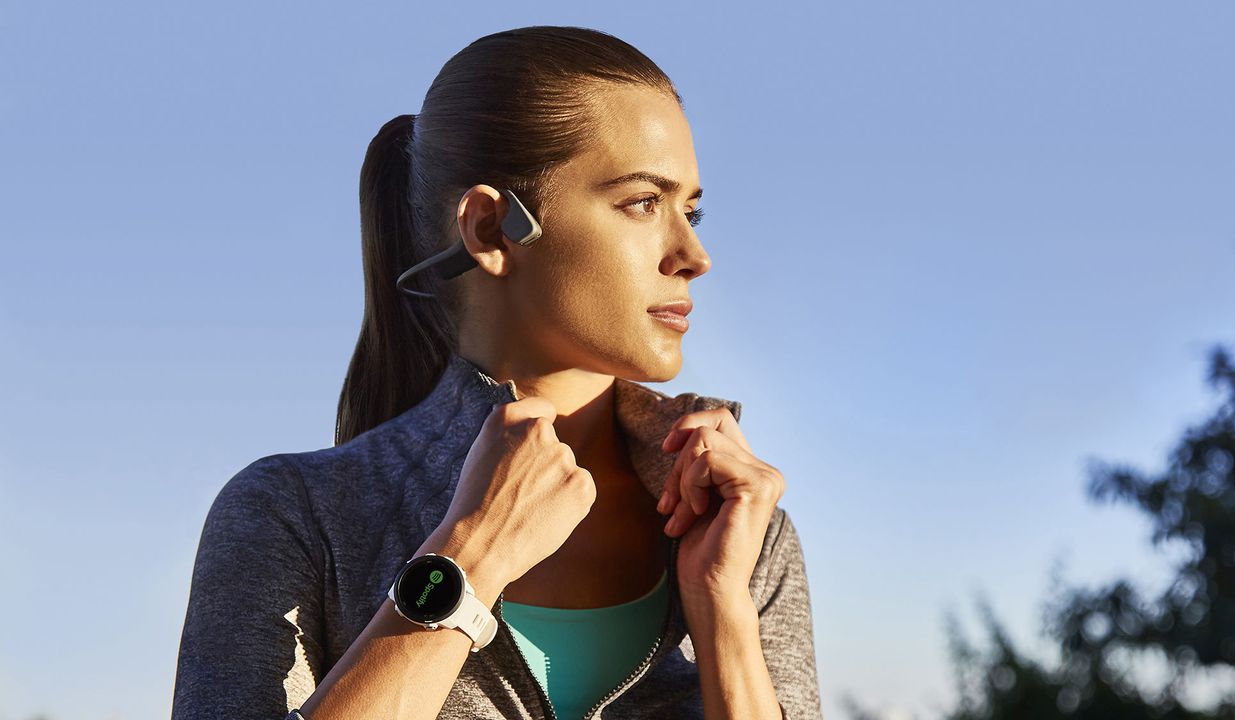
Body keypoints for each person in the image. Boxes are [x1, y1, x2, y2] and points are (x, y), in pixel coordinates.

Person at [170, 25, 822, 720]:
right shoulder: (296, 513)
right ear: (489, 228)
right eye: (643, 202)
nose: (693, 254)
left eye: (691, 210)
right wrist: (467, 560)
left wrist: (723, 617)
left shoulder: (743, 530)